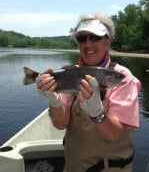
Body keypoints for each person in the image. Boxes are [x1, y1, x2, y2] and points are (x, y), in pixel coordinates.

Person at [36, 12, 141, 172]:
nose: (87, 44)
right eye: (82, 38)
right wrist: (54, 102)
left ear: (108, 42)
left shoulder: (122, 78)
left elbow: (114, 135)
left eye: (95, 37)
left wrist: (97, 113)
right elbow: (60, 124)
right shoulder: (72, 73)